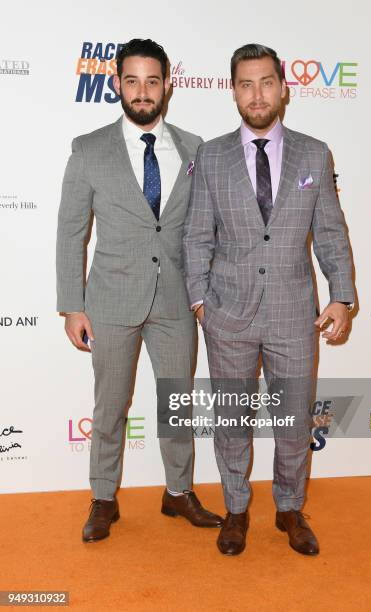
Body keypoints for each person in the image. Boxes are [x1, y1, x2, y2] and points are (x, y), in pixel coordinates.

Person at [183, 43, 354, 556]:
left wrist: (341, 295)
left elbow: (330, 232)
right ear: (233, 90)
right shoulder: (210, 155)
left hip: (292, 312)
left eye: (265, 83)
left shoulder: (314, 153)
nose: (256, 95)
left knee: (294, 420)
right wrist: (199, 303)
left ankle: (289, 508)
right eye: (245, 84)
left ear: (284, 88)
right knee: (232, 420)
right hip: (226, 314)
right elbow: (196, 236)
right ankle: (236, 510)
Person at [56, 38, 222, 543]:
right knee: (110, 406)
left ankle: (177, 492)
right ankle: (103, 497)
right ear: (116, 84)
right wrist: (71, 307)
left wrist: (206, 293)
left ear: (168, 85)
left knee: (177, 403)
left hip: (175, 300)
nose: (143, 91)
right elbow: (71, 231)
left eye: (153, 81)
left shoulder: (195, 148)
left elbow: (208, 228)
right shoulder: (88, 148)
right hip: (109, 301)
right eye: (132, 80)